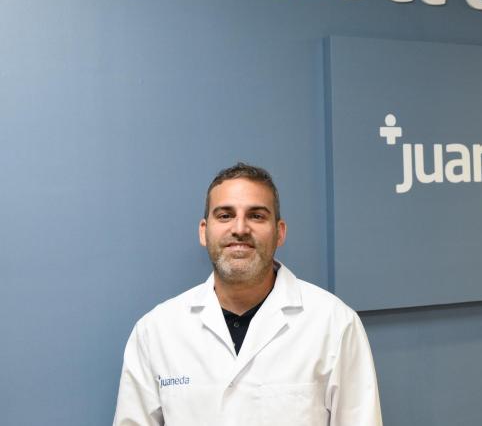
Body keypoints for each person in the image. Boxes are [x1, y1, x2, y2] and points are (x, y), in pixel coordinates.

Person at [113, 163, 382, 426]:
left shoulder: (334, 324)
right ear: (204, 232)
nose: (240, 228)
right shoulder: (155, 331)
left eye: (256, 216)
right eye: (225, 215)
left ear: (279, 233)